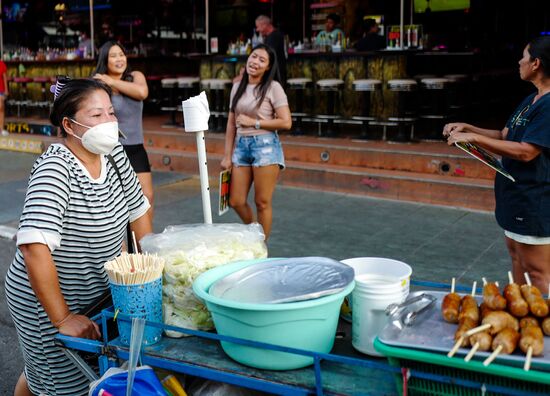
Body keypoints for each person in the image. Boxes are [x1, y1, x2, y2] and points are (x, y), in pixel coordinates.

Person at [4, 78, 152, 396]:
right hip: (46, 302)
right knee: (62, 381)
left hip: (95, 292)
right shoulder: (55, 168)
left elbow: (139, 212)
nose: (109, 122)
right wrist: (63, 317)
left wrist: (150, 275)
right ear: (70, 125)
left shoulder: (114, 154)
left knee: (48, 373)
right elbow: (33, 246)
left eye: (111, 113)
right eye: (97, 115)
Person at [444, 36, 550, 292]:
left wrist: (473, 137)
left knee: (538, 275)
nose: (519, 61)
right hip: (514, 197)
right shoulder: (531, 100)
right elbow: (505, 135)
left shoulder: (549, 106)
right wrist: (468, 128)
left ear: (536, 63)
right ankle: (524, 321)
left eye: (523, 56)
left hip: (534, 199)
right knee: (518, 264)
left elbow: (527, 152)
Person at [221, 44, 292, 240]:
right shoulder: (237, 86)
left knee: (262, 202)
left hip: (266, 146)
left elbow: (286, 122)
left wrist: (255, 122)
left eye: (262, 60)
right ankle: (254, 230)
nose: (255, 62)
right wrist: (227, 155)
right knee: (235, 201)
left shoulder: (273, 87)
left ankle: (262, 246)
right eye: (254, 57)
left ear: (268, 67)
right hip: (241, 147)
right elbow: (231, 124)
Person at [92, 41, 154, 220]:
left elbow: (142, 93)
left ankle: (145, 243)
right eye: (113, 56)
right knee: (117, 204)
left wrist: (112, 81)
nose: (119, 59)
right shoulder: (99, 84)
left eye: (121, 54)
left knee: (147, 198)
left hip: (136, 148)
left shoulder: (135, 76)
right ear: (105, 60)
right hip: (110, 151)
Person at [255, 15, 286, 83]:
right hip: (276, 73)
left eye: (258, 27)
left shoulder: (274, 37)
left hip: (276, 74)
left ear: (264, 25)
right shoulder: (272, 36)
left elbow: (268, 55)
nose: (257, 30)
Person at [0, 59, 8, 135]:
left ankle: (2, 129)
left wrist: (6, 90)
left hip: (1, 89)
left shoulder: (1, 63)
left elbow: (5, 78)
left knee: (1, 108)